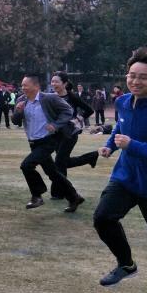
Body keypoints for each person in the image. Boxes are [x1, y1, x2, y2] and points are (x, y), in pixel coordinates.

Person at [93, 48, 147, 285]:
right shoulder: (122, 102)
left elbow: (131, 141)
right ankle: (126, 265)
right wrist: (110, 146)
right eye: (132, 75)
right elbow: (120, 127)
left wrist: (132, 145)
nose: (135, 81)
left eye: (143, 77)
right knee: (103, 218)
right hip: (125, 177)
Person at [11, 74, 85, 212]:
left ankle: (37, 196)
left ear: (36, 86)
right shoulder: (21, 100)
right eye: (22, 85)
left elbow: (68, 111)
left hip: (48, 140)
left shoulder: (49, 98)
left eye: (26, 85)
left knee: (26, 165)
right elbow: (15, 121)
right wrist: (18, 111)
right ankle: (74, 196)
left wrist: (56, 125)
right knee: (52, 173)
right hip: (33, 142)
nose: (23, 88)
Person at [49, 72, 99, 200]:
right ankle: (90, 157)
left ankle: (59, 193)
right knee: (62, 162)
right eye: (52, 81)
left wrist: (77, 120)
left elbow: (89, 110)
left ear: (64, 83)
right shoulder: (50, 97)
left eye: (56, 81)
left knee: (59, 162)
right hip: (56, 134)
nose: (53, 84)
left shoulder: (72, 97)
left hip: (70, 134)